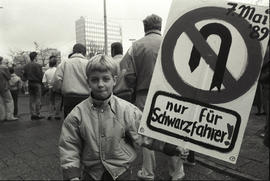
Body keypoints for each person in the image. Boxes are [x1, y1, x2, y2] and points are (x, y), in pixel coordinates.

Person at [58, 54, 187, 181]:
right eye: (95, 79)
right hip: (92, 173)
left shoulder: (128, 110)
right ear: (88, 82)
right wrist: (72, 174)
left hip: (121, 171)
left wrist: (172, 147)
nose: (100, 84)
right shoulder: (77, 114)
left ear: (114, 80)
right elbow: (69, 145)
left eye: (106, 79)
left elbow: (146, 134)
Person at [114, 14, 185, 180]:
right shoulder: (172, 42)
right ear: (160, 26)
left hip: (144, 95)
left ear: (144, 27)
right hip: (171, 95)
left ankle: (148, 172)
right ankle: (177, 173)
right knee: (172, 131)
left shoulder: (135, 46)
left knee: (147, 134)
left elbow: (128, 75)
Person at [53, 43, 90, 118]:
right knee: (85, 122)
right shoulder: (88, 63)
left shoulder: (64, 63)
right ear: (84, 52)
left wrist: (60, 90)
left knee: (70, 124)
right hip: (86, 98)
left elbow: (57, 80)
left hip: (69, 98)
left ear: (73, 51)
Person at [23, 52, 44, 120]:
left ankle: (33, 114)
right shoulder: (38, 65)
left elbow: (24, 77)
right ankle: (38, 114)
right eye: (37, 56)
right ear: (35, 57)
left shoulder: (26, 66)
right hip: (37, 83)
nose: (38, 57)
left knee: (31, 99)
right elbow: (40, 76)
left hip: (30, 83)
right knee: (38, 98)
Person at [42, 55, 61, 120]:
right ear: (56, 63)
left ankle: (50, 114)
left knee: (51, 101)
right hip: (57, 88)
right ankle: (57, 115)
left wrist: (47, 85)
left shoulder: (46, 72)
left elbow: (44, 81)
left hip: (50, 88)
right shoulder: (58, 70)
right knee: (58, 101)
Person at [0, 56, 18, 121]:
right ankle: (10, 116)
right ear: (1, 61)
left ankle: (2, 117)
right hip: (4, 87)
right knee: (9, 101)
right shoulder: (3, 67)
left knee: (1, 102)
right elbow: (8, 77)